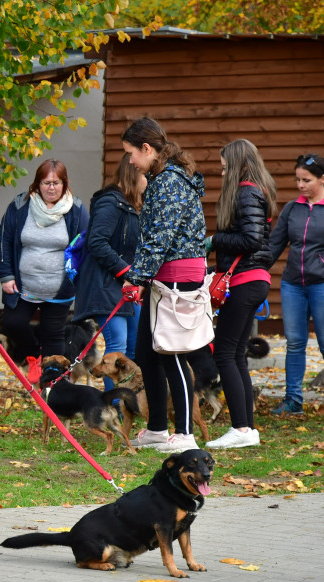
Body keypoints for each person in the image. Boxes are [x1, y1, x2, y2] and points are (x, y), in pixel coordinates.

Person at [121, 117, 207, 454]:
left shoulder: (170, 182)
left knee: (170, 352)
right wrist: (141, 276)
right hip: (162, 275)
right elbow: (152, 240)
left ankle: (184, 433)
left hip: (178, 276)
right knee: (146, 352)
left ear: (147, 149)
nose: (129, 161)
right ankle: (157, 427)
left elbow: (159, 239)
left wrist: (136, 277)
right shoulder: (160, 180)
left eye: (131, 153)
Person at [204, 139, 277, 448]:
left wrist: (214, 240)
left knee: (224, 353)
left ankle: (241, 429)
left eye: (224, 168)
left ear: (237, 165)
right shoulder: (259, 191)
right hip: (254, 279)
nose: (222, 174)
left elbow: (249, 239)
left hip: (244, 280)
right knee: (236, 355)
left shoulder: (246, 191)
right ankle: (247, 428)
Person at [268, 153, 324, 417]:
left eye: (307, 180)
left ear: (323, 178)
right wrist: (252, 271)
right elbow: (274, 246)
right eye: (298, 180)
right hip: (293, 286)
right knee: (295, 343)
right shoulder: (292, 209)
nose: (301, 185)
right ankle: (293, 400)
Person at [0, 159, 90, 362]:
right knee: (12, 324)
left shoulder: (77, 209)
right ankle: (34, 354)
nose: (51, 188)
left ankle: (51, 388)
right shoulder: (20, 206)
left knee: (53, 336)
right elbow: (4, 239)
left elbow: (85, 246)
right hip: (22, 287)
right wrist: (6, 275)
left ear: (65, 184)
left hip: (59, 289)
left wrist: (78, 280)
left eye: (56, 183)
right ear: (37, 183)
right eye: (46, 183)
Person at [73, 155, 145, 389]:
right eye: (146, 175)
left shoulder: (134, 205)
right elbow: (97, 243)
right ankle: (113, 407)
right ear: (134, 173)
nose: (149, 181)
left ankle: (128, 405)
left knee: (133, 349)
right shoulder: (109, 202)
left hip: (126, 285)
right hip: (105, 285)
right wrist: (125, 271)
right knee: (118, 348)